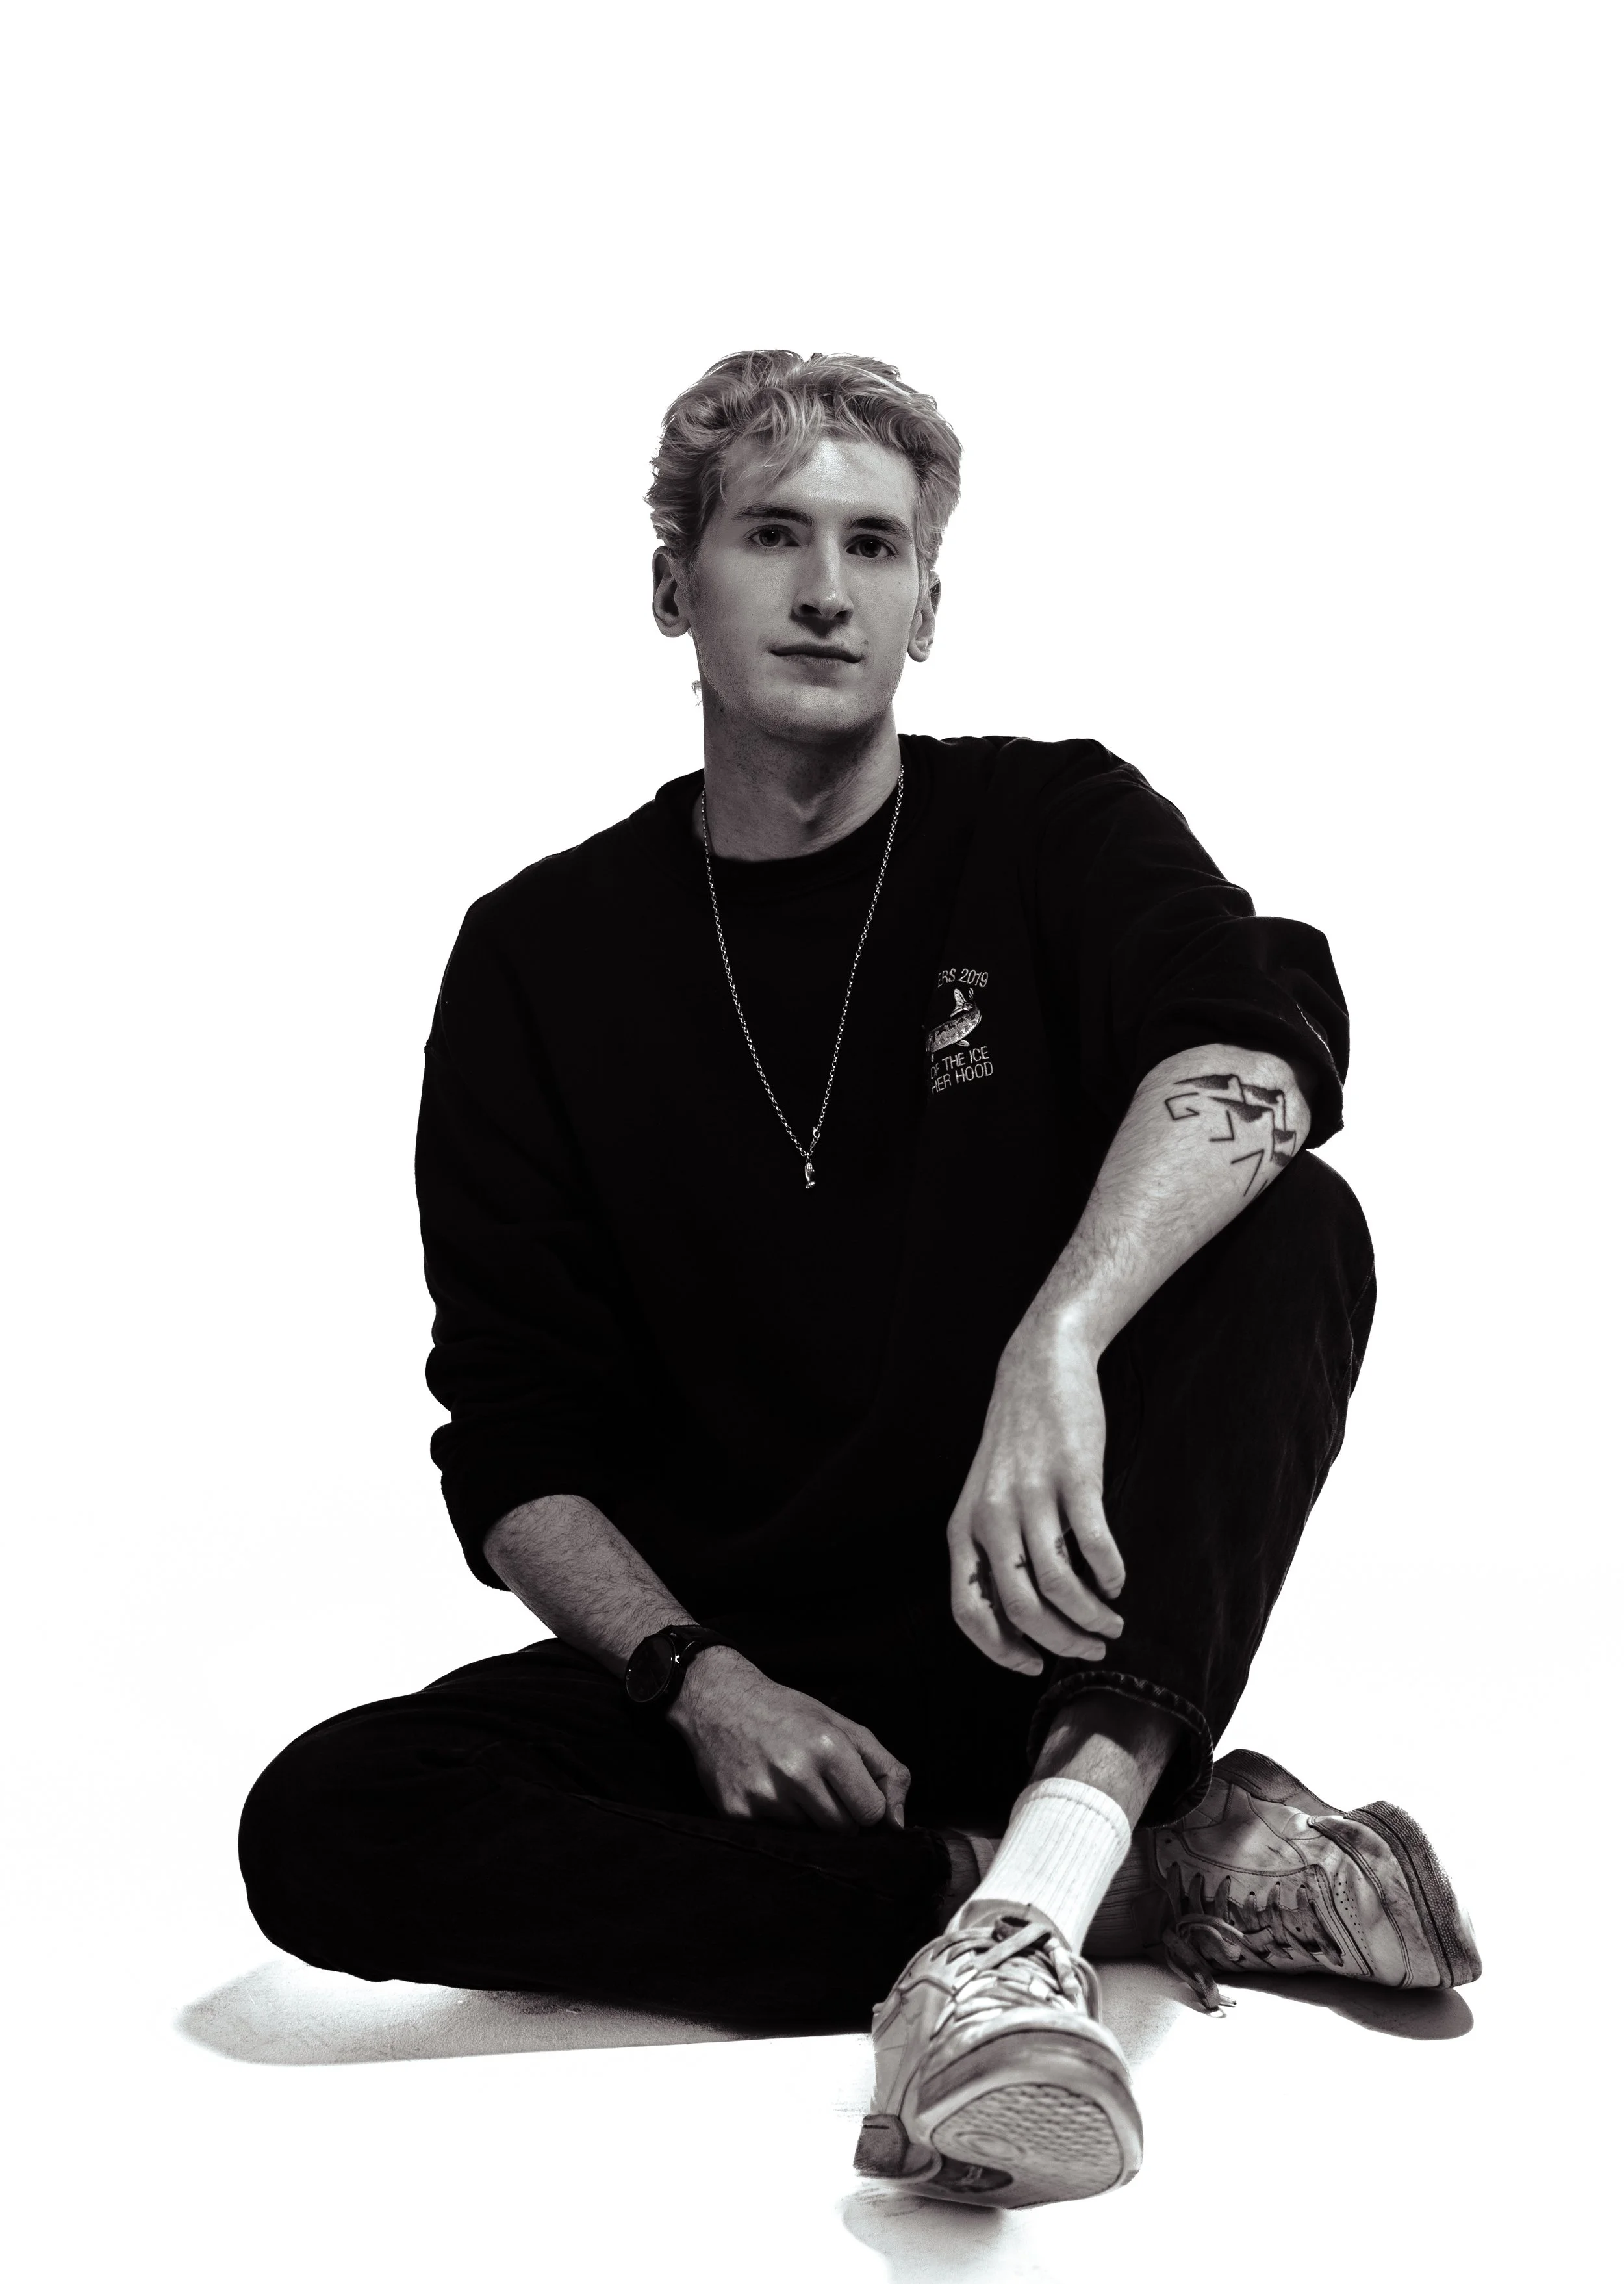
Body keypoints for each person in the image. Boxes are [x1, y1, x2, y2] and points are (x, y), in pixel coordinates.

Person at [240, 349, 1478, 2209]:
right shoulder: (537, 956)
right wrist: (697, 1677)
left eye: (874, 546)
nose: (827, 589)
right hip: (747, 1693)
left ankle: (1029, 1888)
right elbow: (510, 1441)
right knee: (325, 1824)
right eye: (772, 534)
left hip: (1039, 1622)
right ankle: (1072, 1882)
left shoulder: (1049, 825)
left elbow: (1256, 1059)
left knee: (1291, 1217)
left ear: (925, 598)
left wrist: (1052, 1343)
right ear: (677, 584)